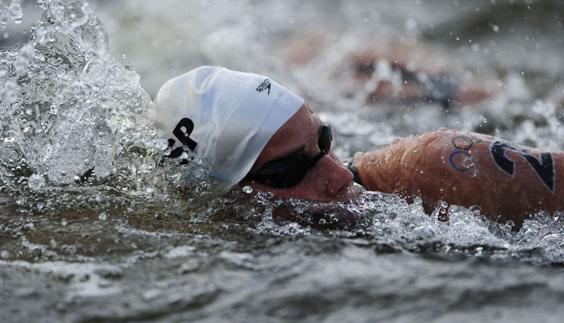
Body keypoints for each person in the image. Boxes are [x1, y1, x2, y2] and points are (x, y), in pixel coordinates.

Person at [151, 66, 563, 226]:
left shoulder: (440, 170)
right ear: (222, 199)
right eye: (290, 171)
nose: (340, 174)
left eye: (323, 141)